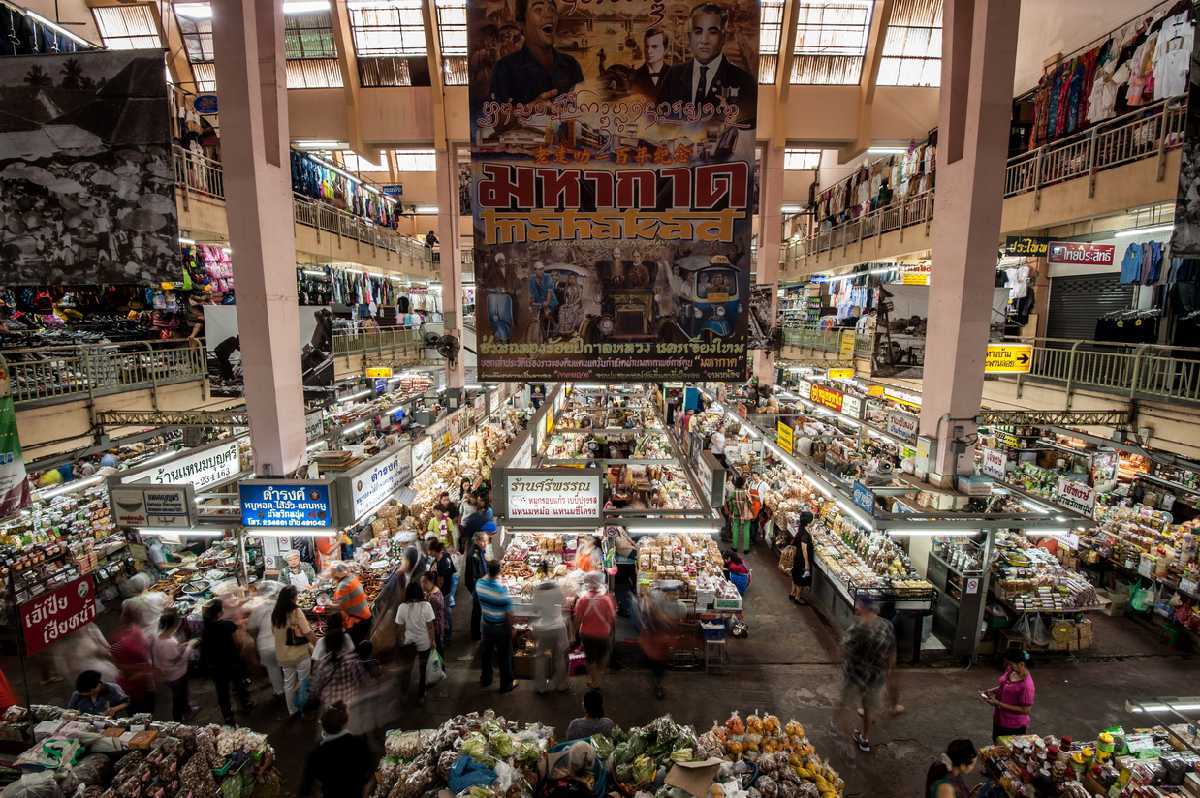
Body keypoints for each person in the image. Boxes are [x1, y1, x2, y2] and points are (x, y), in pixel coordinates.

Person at [656, 2, 755, 119]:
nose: (704, 40)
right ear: (689, 37)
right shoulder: (673, 75)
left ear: (724, 37)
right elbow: (660, 120)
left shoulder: (744, 81)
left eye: (712, 32)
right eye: (698, 32)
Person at [488, 0, 583, 106]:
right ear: (521, 24)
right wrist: (528, 112)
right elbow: (494, 118)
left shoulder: (571, 65)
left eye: (551, 9)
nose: (549, 15)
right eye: (538, 9)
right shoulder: (505, 69)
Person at [836, 595, 895, 753]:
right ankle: (865, 738)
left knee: (846, 703)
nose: (856, 609)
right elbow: (891, 652)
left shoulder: (858, 627)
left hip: (855, 675)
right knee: (869, 709)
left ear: (863, 608)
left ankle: (844, 737)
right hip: (876, 677)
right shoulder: (887, 626)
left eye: (858, 607)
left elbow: (843, 649)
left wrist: (846, 660)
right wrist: (888, 671)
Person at [299, 701, 377, 798]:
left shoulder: (316, 754)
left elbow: (305, 789)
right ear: (344, 722)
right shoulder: (359, 743)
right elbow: (371, 772)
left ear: (323, 727)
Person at [200, 598, 254, 725]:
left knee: (222, 691)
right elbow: (238, 642)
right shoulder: (227, 625)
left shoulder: (205, 630)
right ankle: (245, 704)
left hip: (216, 666)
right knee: (238, 684)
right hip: (231, 661)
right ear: (219, 613)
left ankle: (228, 716)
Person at [272, 585, 316, 719]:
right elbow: (307, 632)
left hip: (283, 655)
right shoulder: (296, 612)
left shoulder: (275, 613)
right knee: (304, 681)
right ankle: (303, 709)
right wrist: (317, 644)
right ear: (293, 598)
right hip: (299, 654)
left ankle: (292, 710)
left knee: (288, 683)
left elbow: (274, 633)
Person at [476, 560, 517, 693]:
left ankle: (486, 679)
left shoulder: (479, 584)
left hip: (486, 624)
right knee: (504, 656)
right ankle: (506, 684)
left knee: (486, 654)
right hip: (500, 627)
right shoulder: (502, 591)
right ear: (499, 572)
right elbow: (509, 614)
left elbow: (485, 580)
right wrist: (512, 628)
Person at [110, 600, 156, 715]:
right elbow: (119, 664)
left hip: (139, 683)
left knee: (142, 711)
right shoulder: (126, 638)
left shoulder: (131, 633)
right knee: (140, 712)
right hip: (134, 685)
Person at [150, 610, 197, 722]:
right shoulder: (169, 643)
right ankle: (178, 720)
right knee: (179, 698)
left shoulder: (157, 637)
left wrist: (182, 645)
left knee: (181, 695)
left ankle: (187, 710)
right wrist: (190, 646)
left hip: (166, 672)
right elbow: (178, 660)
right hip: (175, 675)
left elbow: (171, 653)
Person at [395, 582, 437, 704]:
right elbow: (430, 627)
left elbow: (399, 627)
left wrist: (401, 640)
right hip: (424, 643)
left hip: (409, 643)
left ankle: (403, 694)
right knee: (423, 670)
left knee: (407, 670)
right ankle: (421, 696)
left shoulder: (402, 607)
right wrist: (433, 641)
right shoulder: (426, 606)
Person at [574, 573, 616, 689]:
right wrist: (611, 632)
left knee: (590, 658)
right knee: (603, 656)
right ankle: (598, 676)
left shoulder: (582, 600)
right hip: (604, 634)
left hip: (587, 634)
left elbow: (578, 619)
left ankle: (595, 680)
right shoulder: (606, 600)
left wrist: (574, 634)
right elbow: (612, 618)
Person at [640, 584, 682, 700]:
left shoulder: (651, 602)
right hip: (659, 641)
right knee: (659, 663)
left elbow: (644, 616)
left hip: (657, 640)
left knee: (657, 663)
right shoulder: (673, 605)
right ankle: (658, 683)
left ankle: (657, 683)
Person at [984, 650, 1036, 741]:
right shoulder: (1011, 670)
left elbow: (1025, 710)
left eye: (1010, 664)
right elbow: (1005, 685)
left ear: (1021, 664)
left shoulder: (1027, 686)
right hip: (999, 718)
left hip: (1013, 725)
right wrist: (992, 691)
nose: (1008, 666)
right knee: (997, 742)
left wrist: (998, 703)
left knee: (1007, 749)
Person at [531, 579, 569, 694]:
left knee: (540, 657)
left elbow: (535, 610)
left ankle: (541, 687)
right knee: (559, 657)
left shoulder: (538, 592)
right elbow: (563, 603)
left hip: (544, 629)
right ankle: (559, 684)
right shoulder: (557, 590)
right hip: (558, 628)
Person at [331, 562, 373, 650]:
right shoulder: (352, 578)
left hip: (357, 622)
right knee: (363, 643)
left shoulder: (343, 586)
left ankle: (359, 662)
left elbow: (340, 607)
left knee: (356, 647)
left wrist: (327, 605)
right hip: (366, 616)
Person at [430, 538, 458, 638]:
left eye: (430, 550)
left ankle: (448, 633)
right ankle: (448, 629)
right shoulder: (445, 555)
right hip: (449, 586)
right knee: (447, 609)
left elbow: (440, 582)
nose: (429, 553)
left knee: (445, 611)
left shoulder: (440, 563)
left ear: (434, 550)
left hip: (444, 590)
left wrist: (433, 592)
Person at [465, 531, 490, 641]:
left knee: (478, 609)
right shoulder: (474, 554)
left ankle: (478, 632)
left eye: (486, 541)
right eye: (483, 541)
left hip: (480, 583)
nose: (485, 543)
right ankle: (475, 635)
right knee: (477, 610)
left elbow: (484, 565)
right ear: (477, 541)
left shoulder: (479, 551)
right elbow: (476, 574)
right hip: (476, 585)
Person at [527, 262, 559, 342]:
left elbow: (550, 292)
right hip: (539, 302)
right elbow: (531, 293)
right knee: (537, 317)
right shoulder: (532, 279)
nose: (541, 271)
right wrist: (530, 303)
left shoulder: (548, 277)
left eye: (542, 269)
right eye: (539, 269)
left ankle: (555, 325)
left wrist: (547, 302)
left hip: (551, 301)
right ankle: (542, 336)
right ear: (535, 270)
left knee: (546, 312)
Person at [789, 511, 815, 604]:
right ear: (808, 522)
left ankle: (792, 593)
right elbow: (804, 550)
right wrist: (807, 564)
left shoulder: (801, 529)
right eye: (812, 520)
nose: (813, 521)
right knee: (800, 579)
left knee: (795, 576)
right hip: (802, 560)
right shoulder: (805, 534)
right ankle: (797, 597)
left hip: (797, 558)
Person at [634, 28, 670, 94]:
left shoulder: (675, 75)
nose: (649, 51)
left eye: (654, 46)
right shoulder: (635, 76)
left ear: (665, 49)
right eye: (646, 46)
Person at [726, 475, 755, 556]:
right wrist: (754, 514)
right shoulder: (746, 492)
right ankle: (746, 549)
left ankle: (734, 547)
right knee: (746, 530)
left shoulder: (733, 492)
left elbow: (728, 500)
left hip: (735, 514)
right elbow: (750, 504)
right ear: (743, 484)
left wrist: (730, 510)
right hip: (745, 515)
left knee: (735, 529)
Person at [421, 572, 446, 658]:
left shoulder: (433, 598)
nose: (422, 585)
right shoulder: (435, 589)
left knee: (437, 652)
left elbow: (430, 618)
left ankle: (440, 669)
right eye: (422, 582)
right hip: (439, 625)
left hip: (436, 628)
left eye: (424, 582)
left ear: (431, 581)